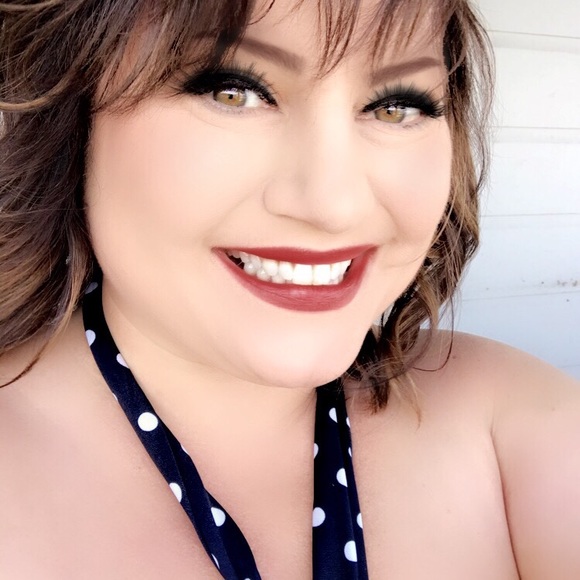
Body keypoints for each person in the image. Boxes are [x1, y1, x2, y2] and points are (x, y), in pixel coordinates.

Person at [0, 0, 579, 578]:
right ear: (72, 118)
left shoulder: (512, 425)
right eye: (233, 91)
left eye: (396, 105)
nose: (333, 205)